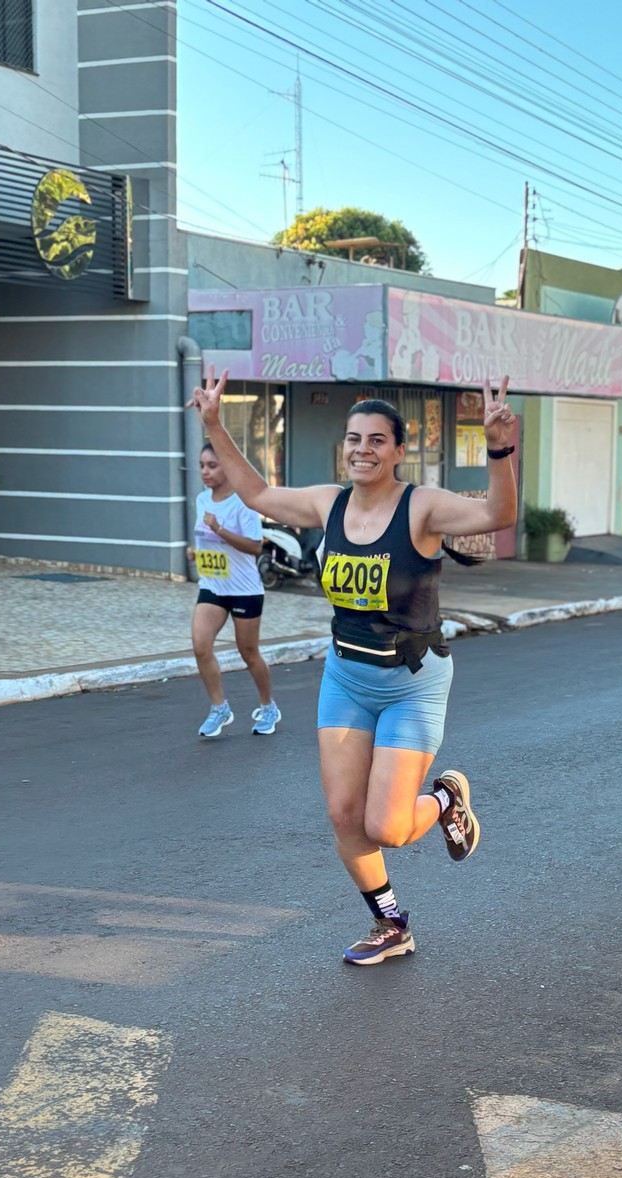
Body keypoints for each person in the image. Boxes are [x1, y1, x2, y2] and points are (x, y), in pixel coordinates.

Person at [188, 370, 518, 963]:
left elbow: (497, 513)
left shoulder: (421, 507)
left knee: (388, 827)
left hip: (410, 684)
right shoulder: (328, 503)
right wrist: (214, 423)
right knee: (345, 815)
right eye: (353, 438)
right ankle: (392, 924)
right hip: (346, 676)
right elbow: (259, 495)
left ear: (398, 449)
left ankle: (445, 800)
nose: (361, 449)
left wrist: (498, 447)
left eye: (375, 440)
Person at [188, 441, 281, 737]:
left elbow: (255, 547)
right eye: (202, 465)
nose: (205, 471)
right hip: (213, 585)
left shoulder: (243, 504)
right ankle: (219, 708)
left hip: (244, 590)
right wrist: (196, 552)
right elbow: (206, 541)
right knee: (201, 646)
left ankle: (268, 706)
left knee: (248, 652)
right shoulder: (202, 500)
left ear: (227, 467)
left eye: (212, 465)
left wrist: (219, 530)